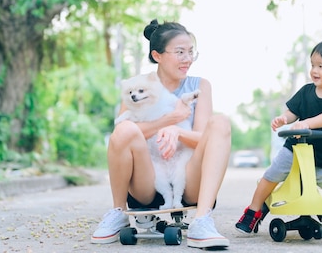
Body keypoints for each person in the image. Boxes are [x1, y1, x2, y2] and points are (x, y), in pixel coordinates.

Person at [91, 19, 231, 249]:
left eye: (190, 52)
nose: (187, 59)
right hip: (146, 181)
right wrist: (167, 121)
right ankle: (118, 212)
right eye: (179, 52)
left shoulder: (200, 85)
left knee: (220, 123)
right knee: (124, 128)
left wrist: (177, 131)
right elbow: (122, 136)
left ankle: (202, 222)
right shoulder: (138, 86)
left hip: (187, 178)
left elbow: (201, 137)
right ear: (157, 55)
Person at [235, 38, 322, 239]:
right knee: (270, 176)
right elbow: (292, 112)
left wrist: (307, 123)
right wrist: (284, 119)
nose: (314, 70)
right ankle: (254, 211)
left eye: (321, 66)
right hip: (295, 148)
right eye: (313, 65)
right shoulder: (306, 91)